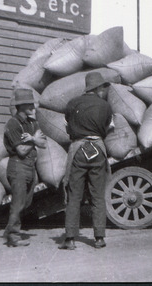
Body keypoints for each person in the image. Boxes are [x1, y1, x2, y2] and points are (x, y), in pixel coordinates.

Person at [59, 72, 113, 250]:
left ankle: (70, 239)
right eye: (103, 87)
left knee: (74, 195)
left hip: (79, 150)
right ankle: (99, 238)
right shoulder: (105, 106)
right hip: (97, 150)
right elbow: (107, 127)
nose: (104, 91)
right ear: (96, 88)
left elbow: (68, 122)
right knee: (97, 195)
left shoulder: (72, 103)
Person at [3, 88, 46, 247]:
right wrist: (34, 140)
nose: (32, 107)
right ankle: (13, 237)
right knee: (18, 203)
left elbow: (44, 143)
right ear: (20, 106)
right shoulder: (12, 124)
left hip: (30, 167)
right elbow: (20, 151)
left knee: (26, 202)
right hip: (18, 166)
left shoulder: (33, 122)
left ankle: (9, 229)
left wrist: (33, 140)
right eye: (28, 104)